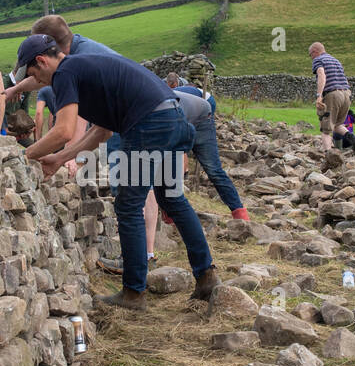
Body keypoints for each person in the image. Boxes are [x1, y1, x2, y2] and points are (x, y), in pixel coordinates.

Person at [16, 33, 218, 309]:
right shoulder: (86, 70)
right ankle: (206, 276)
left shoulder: (65, 72)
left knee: (128, 205)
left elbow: (63, 130)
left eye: (33, 74)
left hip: (150, 123)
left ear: (41, 61)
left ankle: (133, 293)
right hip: (172, 117)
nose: (37, 82)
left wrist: (21, 156)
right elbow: (102, 131)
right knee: (172, 198)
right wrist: (59, 159)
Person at [175, 89, 249, 220]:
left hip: (203, 119)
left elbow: (179, 154)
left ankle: (240, 214)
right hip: (186, 116)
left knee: (213, 169)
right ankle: (170, 212)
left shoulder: (162, 101)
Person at [309, 41, 351, 151]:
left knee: (326, 128)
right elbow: (345, 78)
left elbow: (322, 75)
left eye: (310, 55)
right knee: (337, 124)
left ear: (315, 52)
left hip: (332, 94)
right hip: (346, 93)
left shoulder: (318, 60)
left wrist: (319, 95)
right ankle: (354, 140)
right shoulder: (336, 60)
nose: (311, 57)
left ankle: (328, 154)